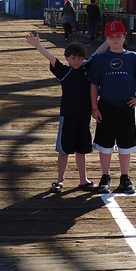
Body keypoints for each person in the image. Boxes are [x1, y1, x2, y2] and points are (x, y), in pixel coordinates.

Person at [25, 31, 101, 192]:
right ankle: (60, 180)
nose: (76, 61)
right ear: (67, 58)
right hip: (67, 116)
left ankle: (83, 180)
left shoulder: (87, 69)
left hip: (85, 116)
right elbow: (52, 58)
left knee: (82, 150)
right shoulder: (64, 72)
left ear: (84, 59)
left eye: (80, 58)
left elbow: (98, 52)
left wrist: (110, 39)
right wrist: (38, 45)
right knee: (64, 150)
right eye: (73, 58)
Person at [88, 19, 136, 195]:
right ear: (106, 39)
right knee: (104, 144)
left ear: (124, 37)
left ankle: (125, 177)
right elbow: (93, 85)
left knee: (126, 144)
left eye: (118, 36)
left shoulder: (133, 57)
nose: (115, 39)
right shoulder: (100, 59)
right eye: (111, 36)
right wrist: (94, 108)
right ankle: (105, 176)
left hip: (126, 106)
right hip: (105, 106)